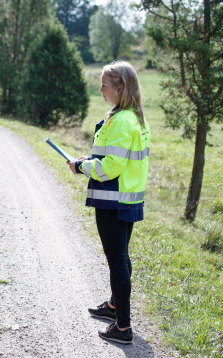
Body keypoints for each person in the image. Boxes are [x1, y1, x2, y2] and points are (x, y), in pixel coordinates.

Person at [67, 61, 150, 344]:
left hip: (113, 200)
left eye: (105, 84)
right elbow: (116, 161)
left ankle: (123, 328)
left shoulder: (123, 120)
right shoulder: (132, 117)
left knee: (117, 261)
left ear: (120, 87)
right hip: (128, 198)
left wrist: (81, 167)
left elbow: (110, 167)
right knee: (121, 257)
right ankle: (115, 307)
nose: (100, 89)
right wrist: (86, 162)